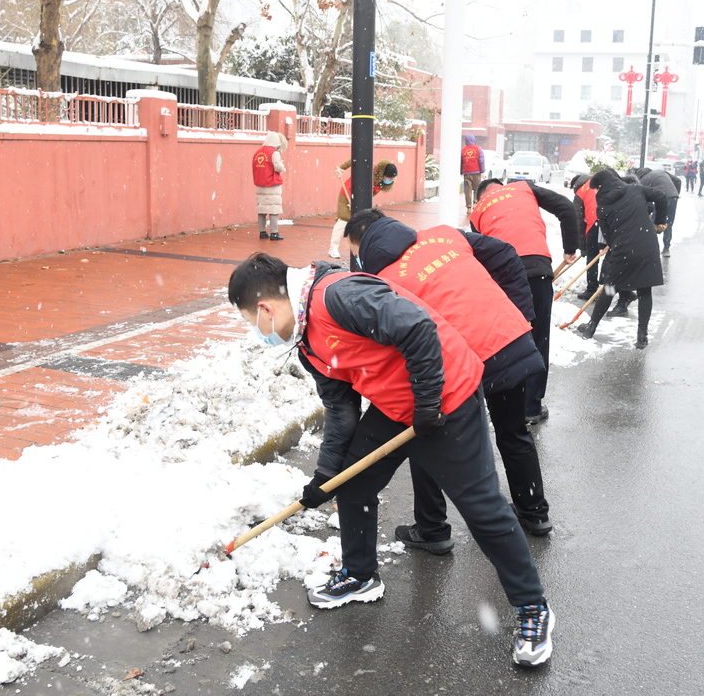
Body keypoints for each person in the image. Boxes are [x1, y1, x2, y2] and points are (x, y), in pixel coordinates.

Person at [226, 253, 556, 668]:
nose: (255, 331)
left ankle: (533, 608)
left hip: (445, 399)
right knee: (351, 483)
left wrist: (428, 402)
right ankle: (360, 576)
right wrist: (325, 476)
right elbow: (341, 410)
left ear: (265, 308)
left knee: (484, 512)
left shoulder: (337, 297)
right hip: (397, 406)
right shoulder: (307, 341)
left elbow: (417, 328)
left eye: (248, 320)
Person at [345, 208, 553, 541]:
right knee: (513, 433)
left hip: (460, 362)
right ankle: (534, 512)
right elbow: (506, 254)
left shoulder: (384, 279)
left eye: (356, 253)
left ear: (363, 241)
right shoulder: (444, 236)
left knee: (426, 439)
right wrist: (519, 313)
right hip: (508, 341)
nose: (358, 261)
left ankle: (432, 529)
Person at [471, 178, 581, 425]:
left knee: (507, 339)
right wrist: (571, 247)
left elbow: (479, 252)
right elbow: (565, 207)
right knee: (538, 336)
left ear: (481, 196)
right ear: (502, 185)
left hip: (502, 276)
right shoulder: (523, 187)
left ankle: (505, 403)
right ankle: (531, 407)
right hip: (536, 269)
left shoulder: (478, 211)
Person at [576, 168, 669, 348]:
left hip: (623, 250)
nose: (595, 193)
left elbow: (608, 237)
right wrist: (660, 221)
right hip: (647, 246)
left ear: (601, 186)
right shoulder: (635, 190)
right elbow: (661, 196)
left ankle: (591, 327)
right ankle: (642, 336)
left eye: (595, 189)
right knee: (644, 290)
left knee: (610, 288)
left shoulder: (602, 208)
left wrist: (617, 245)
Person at [328, 159, 398, 259]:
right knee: (343, 220)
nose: (389, 181)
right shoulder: (369, 169)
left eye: (392, 179)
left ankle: (361, 248)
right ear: (383, 173)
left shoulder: (381, 183)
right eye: (388, 178)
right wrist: (341, 168)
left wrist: (358, 203)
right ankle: (333, 247)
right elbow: (354, 160)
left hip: (359, 200)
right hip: (346, 194)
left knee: (362, 223)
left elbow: (370, 194)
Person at [632, 164, 680, 258]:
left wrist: (648, 212)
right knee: (668, 223)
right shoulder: (661, 172)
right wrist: (676, 193)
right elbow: (678, 181)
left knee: (654, 224)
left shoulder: (643, 180)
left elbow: (644, 198)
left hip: (661, 198)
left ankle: (651, 248)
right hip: (673, 196)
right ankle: (666, 248)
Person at [569, 173, 601, 300]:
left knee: (592, 257)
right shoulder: (597, 182)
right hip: (608, 219)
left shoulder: (580, 193)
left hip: (594, 222)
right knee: (611, 257)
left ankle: (592, 289)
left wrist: (583, 247)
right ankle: (617, 291)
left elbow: (578, 222)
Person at [253, 131, 287, 240]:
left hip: (260, 184)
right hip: (272, 185)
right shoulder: (274, 153)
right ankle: (274, 233)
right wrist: (283, 166)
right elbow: (278, 167)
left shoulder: (258, 152)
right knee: (273, 210)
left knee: (262, 210)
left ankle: (262, 232)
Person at [461, 134, 485, 211]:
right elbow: (481, 160)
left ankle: (468, 207)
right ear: (474, 140)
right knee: (477, 189)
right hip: (476, 172)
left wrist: (461, 171)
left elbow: (461, 162)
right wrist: (482, 170)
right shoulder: (478, 149)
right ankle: (475, 203)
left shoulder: (463, 150)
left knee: (468, 190)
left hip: (467, 173)